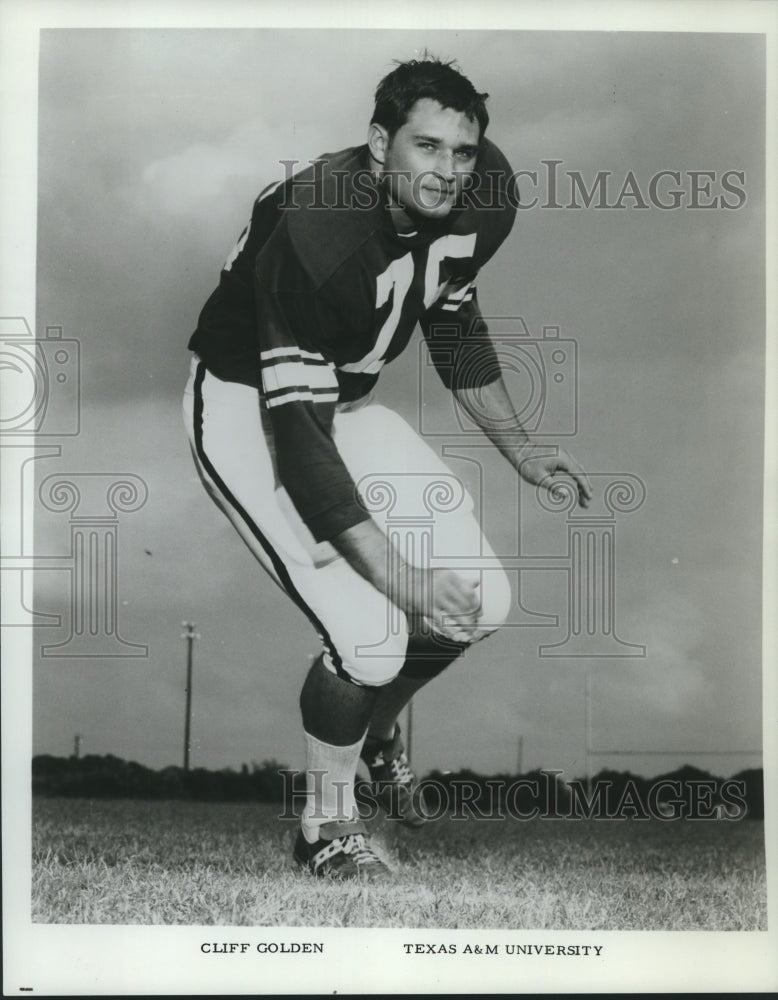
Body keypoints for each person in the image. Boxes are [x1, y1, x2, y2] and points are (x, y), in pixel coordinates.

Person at [183, 57, 590, 881]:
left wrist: (521, 448)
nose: (447, 172)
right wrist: (400, 581)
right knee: (371, 637)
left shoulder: (486, 190)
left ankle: (373, 734)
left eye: (463, 151)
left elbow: (451, 313)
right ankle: (323, 828)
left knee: (482, 605)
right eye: (425, 147)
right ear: (379, 144)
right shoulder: (319, 230)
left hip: (350, 400)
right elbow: (299, 436)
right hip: (250, 408)